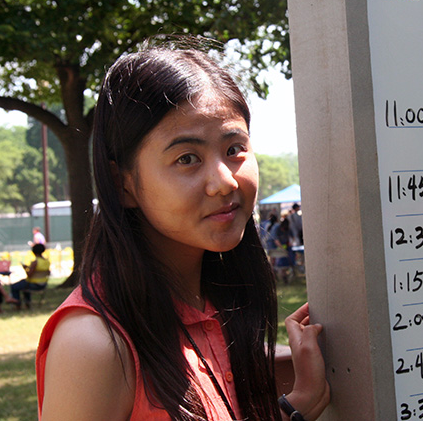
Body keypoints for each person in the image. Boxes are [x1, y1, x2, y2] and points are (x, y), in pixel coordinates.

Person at [35, 38, 330, 420]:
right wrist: (296, 410)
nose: (224, 181)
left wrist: (299, 400)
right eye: (187, 158)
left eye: (234, 149)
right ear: (122, 183)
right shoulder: (94, 344)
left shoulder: (218, 309)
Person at [7, 243, 50, 310]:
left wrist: (25, 268)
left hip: (34, 284)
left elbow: (29, 275)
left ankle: (17, 303)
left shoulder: (35, 262)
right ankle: (27, 304)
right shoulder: (47, 261)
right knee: (24, 284)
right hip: (43, 284)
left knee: (15, 286)